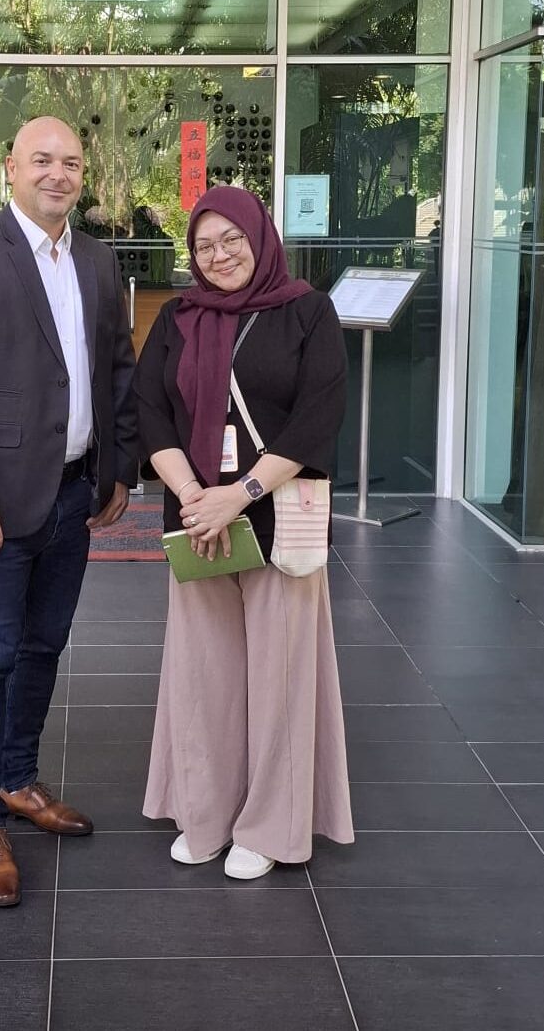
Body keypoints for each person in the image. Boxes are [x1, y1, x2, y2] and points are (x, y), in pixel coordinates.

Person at [0, 116, 138, 907]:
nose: (58, 173)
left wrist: (119, 470)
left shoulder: (97, 259)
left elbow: (117, 369)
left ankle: (17, 778)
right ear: (9, 169)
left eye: (70, 162)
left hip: (75, 492)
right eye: (41, 159)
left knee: (44, 645)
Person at [133, 185, 354, 878]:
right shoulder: (178, 317)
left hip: (274, 512)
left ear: (260, 238)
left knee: (280, 675)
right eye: (204, 245)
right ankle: (205, 812)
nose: (219, 254)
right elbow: (149, 412)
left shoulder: (307, 312)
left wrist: (240, 493)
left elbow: (318, 416)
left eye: (232, 239)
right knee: (204, 675)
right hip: (198, 517)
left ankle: (268, 826)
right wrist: (194, 496)